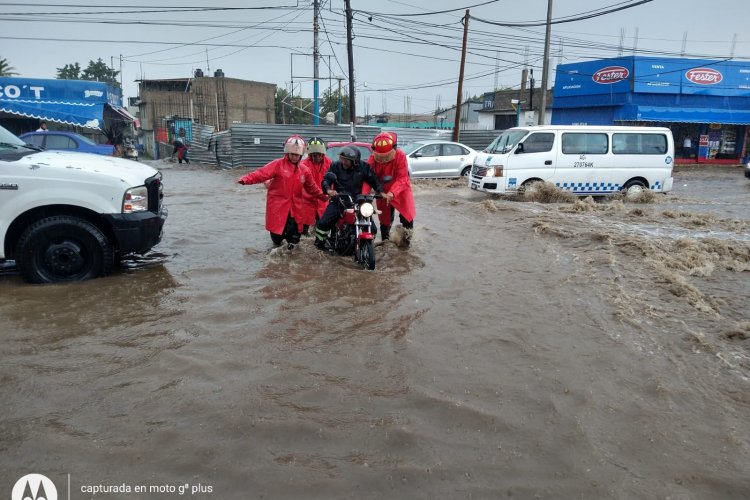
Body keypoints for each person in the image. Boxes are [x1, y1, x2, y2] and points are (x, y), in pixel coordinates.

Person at [237, 135, 327, 248]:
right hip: (278, 209)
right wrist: (245, 179)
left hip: (296, 211)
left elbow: (312, 188)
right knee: (277, 240)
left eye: (297, 155)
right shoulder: (277, 165)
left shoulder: (304, 170)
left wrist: (324, 196)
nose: (295, 157)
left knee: (294, 242)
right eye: (293, 154)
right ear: (287, 153)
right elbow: (261, 174)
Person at [314, 146, 384, 250]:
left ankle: (365, 246)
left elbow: (374, 180)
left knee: (372, 229)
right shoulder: (335, 166)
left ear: (355, 161)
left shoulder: (364, 167)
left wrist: (381, 192)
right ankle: (319, 243)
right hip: (339, 201)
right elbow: (326, 179)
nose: (343, 162)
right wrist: (328, 190)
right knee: (323, 223)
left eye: (346, 160)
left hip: (358, 201)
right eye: (342, 158)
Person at [368, 131, 416, 245]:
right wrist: (362, 196)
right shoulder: (371, 159)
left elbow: (402, 178)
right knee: (384, 220)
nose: (383, 160)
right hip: (382, 192)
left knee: (407, 217)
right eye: (380, 157)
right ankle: (385, 242)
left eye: (386, 156)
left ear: (394, 149)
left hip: (401, 190)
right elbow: (368, 179)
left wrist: (392, 193)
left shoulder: (400, 156)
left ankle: (406, 244)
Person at [298, 136, 332, 234]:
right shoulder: (303, 165)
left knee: (323, 224)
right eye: (313, 155)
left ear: (322, 154)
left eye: (318, 155)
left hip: (323, 199)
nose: (316, 157)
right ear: (310, 154)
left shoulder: (329, 163)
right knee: (304, 225)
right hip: (307, 199)